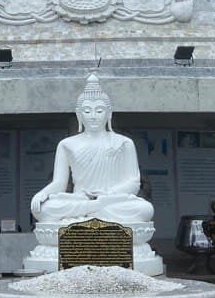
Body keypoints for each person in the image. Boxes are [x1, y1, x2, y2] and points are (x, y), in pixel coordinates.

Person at [30, 74, 152, 225]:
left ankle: (91, 210)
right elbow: (59, 183)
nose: (93, 116)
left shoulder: (124, 143)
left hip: (111, 200)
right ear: (78, 114)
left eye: (99, 111)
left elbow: (133, 183)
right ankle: (93, 208)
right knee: (42, 208)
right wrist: (43, 193)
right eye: (87, 111)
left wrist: (107, 195)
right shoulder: (66, 144)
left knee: (145, 209)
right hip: (81, 199)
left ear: (109, 113)